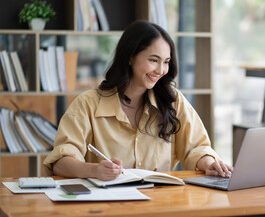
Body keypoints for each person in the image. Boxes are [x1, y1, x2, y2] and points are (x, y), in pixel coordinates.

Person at [43, 20, 233, 181]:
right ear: (130, 57)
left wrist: (210, 164)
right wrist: (94, 170)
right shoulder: (87, 104)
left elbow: (196, 148)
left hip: (161, 203)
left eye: (166, 62)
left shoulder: (173, 101)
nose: (160, 70)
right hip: (106, 205)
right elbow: (61, 160)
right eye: (153, 60)